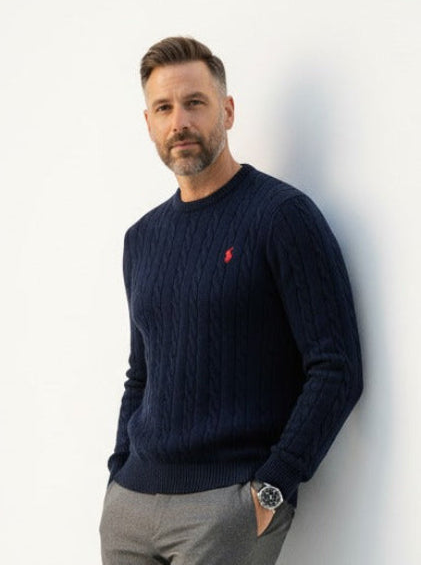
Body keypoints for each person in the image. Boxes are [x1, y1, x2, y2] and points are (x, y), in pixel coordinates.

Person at [99, 36, 363, 565]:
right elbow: (141, 374)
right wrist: (117, 475)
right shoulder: (141, 238)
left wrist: (273, 488)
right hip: (131, 507)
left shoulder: (282, 217)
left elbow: (336, 368)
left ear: (227, 110)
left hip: (225, 508)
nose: (180, 122)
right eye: (163, 108)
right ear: (148, 123)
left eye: (195, 102)